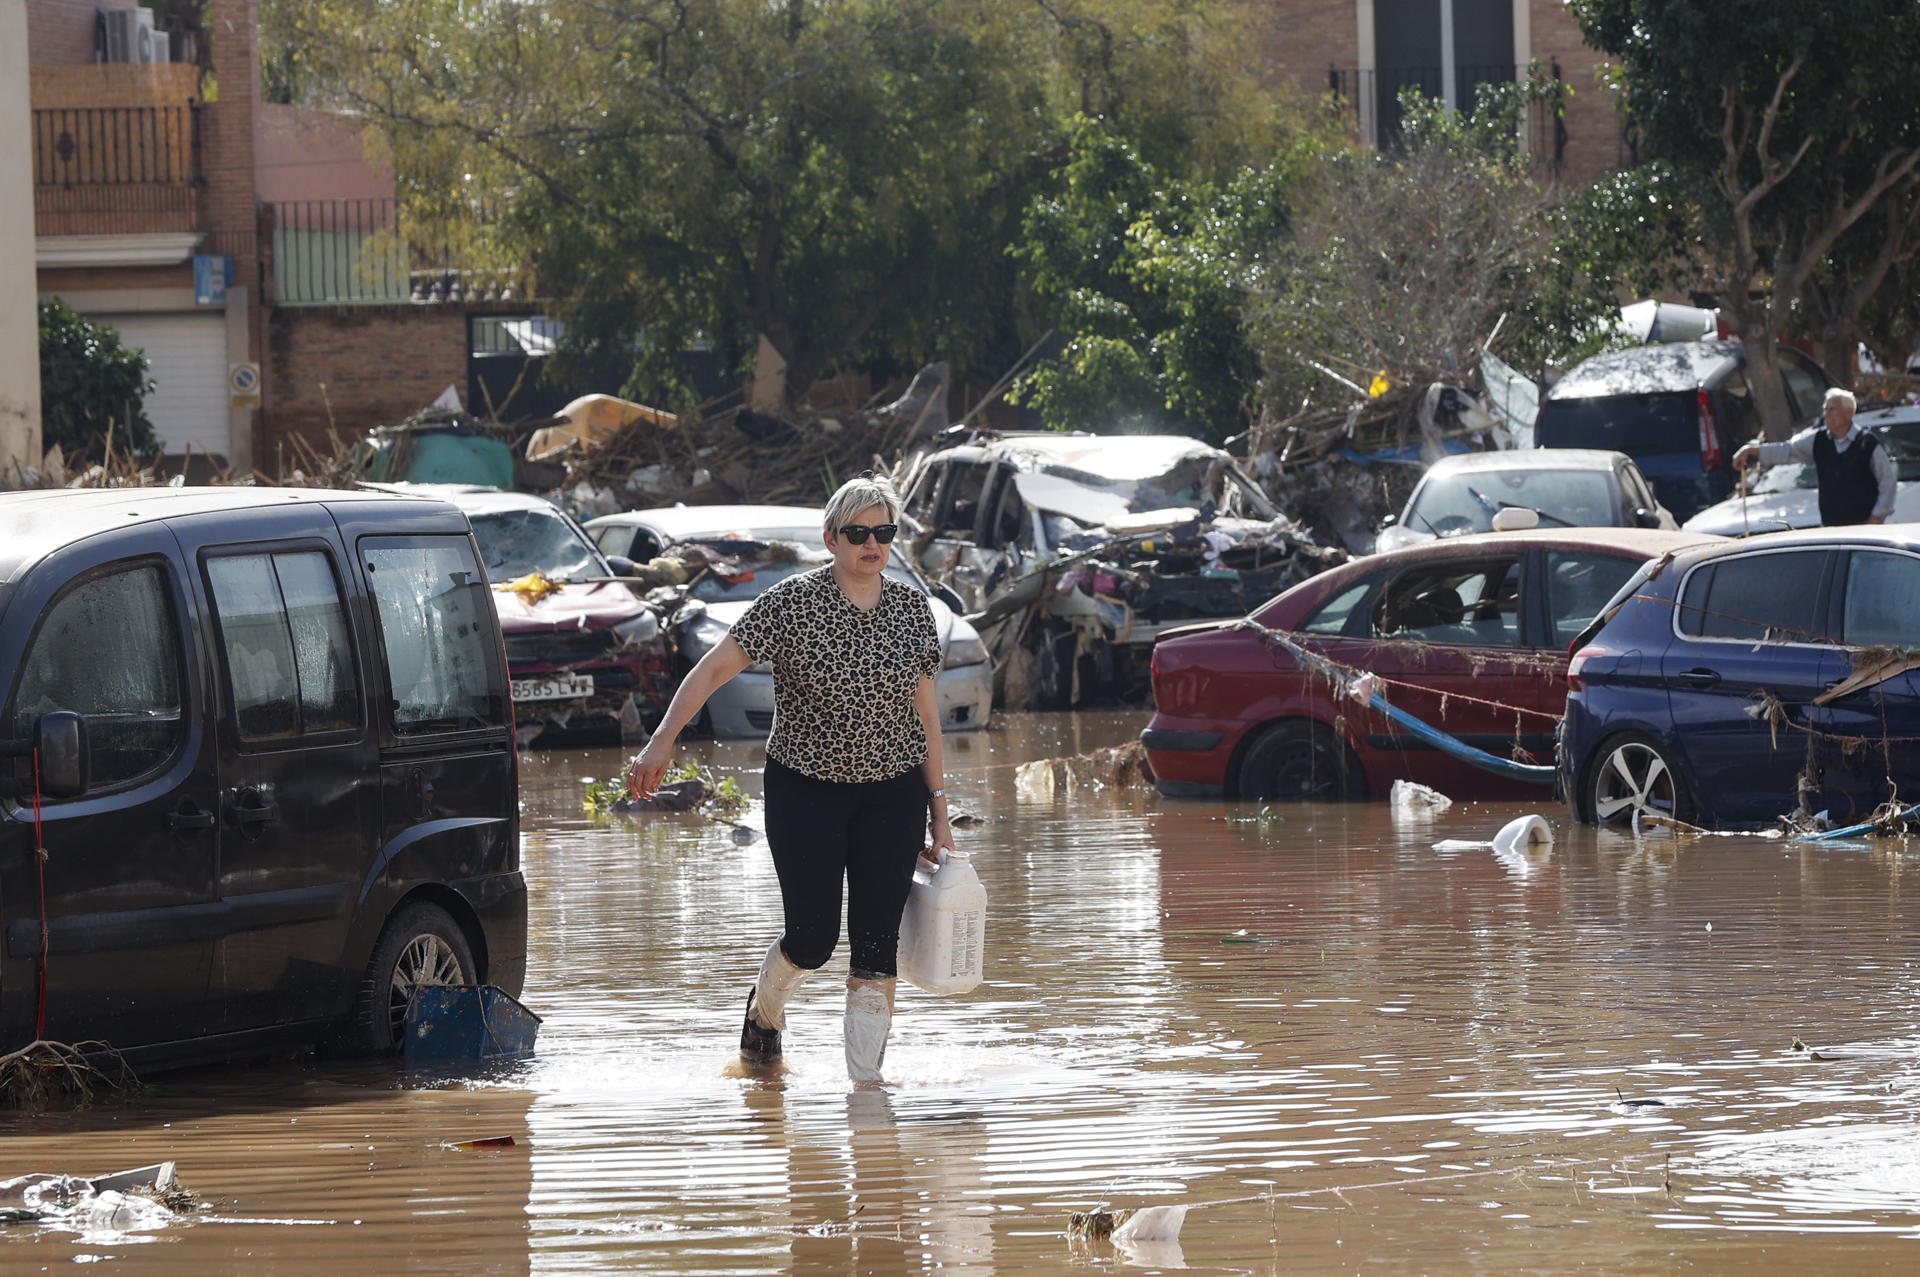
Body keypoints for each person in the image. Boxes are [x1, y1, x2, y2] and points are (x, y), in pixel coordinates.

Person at [625, 475, 955, 1085]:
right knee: (812, 937)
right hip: (807, 790)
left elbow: (926, 714)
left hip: (893, 793)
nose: (872, 544)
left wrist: (938, 807)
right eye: (859, 533)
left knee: (877, 944)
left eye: (884, 533)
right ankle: (764, 1017)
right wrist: (661, 741)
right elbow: (713, 670)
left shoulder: (912, 610)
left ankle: (866, 1094)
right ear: (832, 539)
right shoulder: (790, 604)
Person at [1732, 387, 1895, 526]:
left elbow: (1887, 481)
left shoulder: (1867, 443)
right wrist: (1752, 451)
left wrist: (1876, 517)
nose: (1827, 414)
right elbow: (1788, 450)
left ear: (1849, 413)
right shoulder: (1819, 439)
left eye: (1832, 409)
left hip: (1864, 527)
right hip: (1831, 527)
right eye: (1825, 409)